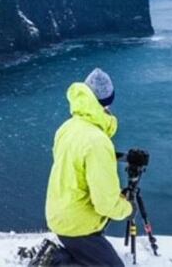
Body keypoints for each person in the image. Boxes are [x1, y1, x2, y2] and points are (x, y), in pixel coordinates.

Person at [44, 68, 132, 266]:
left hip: (59, 213)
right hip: (77, 225)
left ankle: (61, 256)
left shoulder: (67, 128)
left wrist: (114, 157)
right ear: (107, 102)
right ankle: (56, 261)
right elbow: (105, 204)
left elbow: (76, 163)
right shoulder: (97, 141)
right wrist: (128, 208)